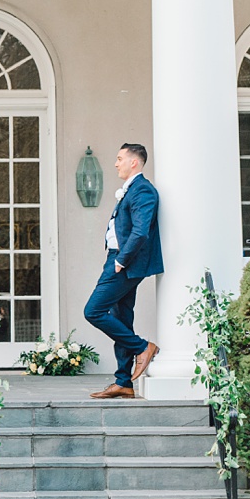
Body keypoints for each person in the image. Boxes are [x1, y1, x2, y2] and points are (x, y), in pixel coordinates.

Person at [83, 143, 163, 399]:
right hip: (118, 260)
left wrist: (121, 261)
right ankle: (123, 382)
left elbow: (141, 231)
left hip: (124, 264)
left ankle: (143, 347)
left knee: (93, 311)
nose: (116, 163)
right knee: (120, 319)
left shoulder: (143, 191)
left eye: (120, 159)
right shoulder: (132, 191)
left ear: (134, 163)